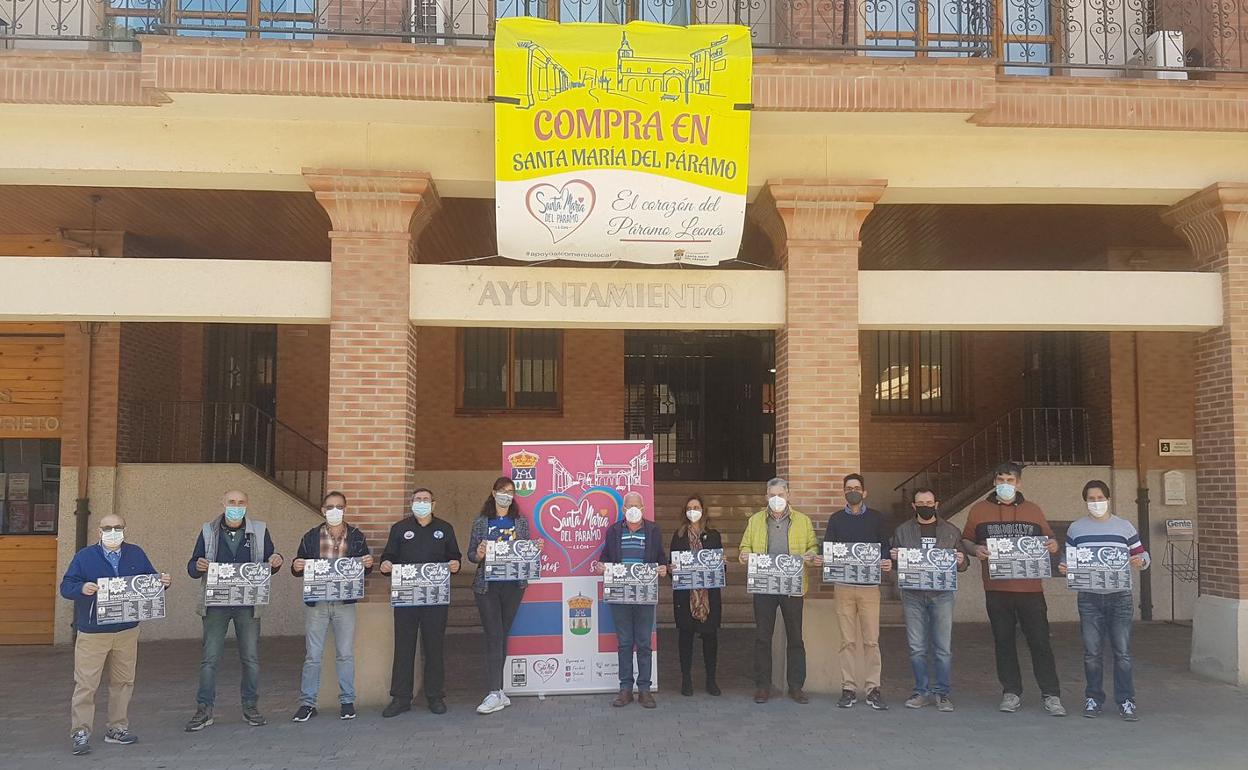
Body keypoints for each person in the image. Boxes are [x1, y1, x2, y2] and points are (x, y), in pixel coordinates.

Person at [60, 513, 171, 756]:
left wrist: (163, 582)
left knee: (123, 682)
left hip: (127, 630)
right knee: (86, 684)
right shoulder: (85, 556)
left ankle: (117, 728)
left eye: (117, 527)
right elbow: (66, 586)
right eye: (107, 527)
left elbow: (150, 580)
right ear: (99, 531)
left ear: (124, 529)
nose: (113, 531)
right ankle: (80, 731)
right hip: (93, 631)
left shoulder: (136, 553)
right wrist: (82, 588)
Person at [961, 462, 1065, 716]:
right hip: (996, 589)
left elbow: (1050, 539)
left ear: (1018, 483)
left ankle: (1051, 694)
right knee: (1003, 641)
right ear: (994, 483)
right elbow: (966, 540)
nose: (1004, 485)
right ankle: (1011, 692)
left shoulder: (1033, 510)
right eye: (1000, 480)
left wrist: (1052, 545)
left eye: (1010, 480)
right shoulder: (979, 510)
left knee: (1040, 642)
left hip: (1031, 590)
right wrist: (975, 550)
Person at [185, 490, 283, 731]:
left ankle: (250, 707)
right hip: (215, 604)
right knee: (210, 659)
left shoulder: (259, 530)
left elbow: (270, 561)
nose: (236, 506)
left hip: (248, 604)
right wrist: (197, 565)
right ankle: (204, 709)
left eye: (240, 503)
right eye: (231, 502)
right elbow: (192, 566)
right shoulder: (208, 530)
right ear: (223, 503)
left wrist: (277, 560)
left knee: (250, 658)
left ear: (247, 505)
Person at [1058, 480, 1149, 721]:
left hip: (1120, 597)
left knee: (1123, 652)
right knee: (1091, 652)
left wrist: (1141, 562)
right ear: (1085, 501)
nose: (1096, 502)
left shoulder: (1124, 527)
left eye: (1100, 498)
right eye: (1091, 498)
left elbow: (1141, 555)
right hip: (1089, 598)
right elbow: (1068, 558)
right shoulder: (1076, 529)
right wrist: (1064, 566)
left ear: (1108, 499)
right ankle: (1093, 698)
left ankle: (1126, 700)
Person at [289, 491, 374, 722]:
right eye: (330, 506)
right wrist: (296, 565)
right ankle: (308, 703)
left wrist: (367, 563)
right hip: (317, 603)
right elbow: (298, 566)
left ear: (345, 509)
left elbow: (364, 569)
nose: (334, 510)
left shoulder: (356, 536)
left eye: (339, 506)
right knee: (312, 655)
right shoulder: (310, 536)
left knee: (345, 654)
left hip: (345, 603)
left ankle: (347, 701)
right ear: (322, 509)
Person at [379, 487, 461, 717]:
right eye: (418, 500)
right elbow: (388, 556)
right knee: (404, 647)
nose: (422, 503)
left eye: (426, 500)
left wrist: (455, 565)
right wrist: (385, 565)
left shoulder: (444, 529)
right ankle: (400, 697)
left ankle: (435, 696)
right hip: (406, 598)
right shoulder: (400, 529)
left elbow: (454, 557)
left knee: (434, 647)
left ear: (433, 505)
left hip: (435, 599)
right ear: (411, 503)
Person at [738, 477, 819, 704]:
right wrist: (744, 555)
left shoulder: (802, 521)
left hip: (793, 586)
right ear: (766, 496)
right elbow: (744, 546)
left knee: (795, 637)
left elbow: (813, 546)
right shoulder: (755, 520)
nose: (776, 499)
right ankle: (763, 686)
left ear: (788, 496)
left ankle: (796, 686)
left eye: (780, 495)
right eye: (772, 495)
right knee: (763, 637)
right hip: (764, 586)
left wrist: (811, 556)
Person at [890, 488, 968, 712]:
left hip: (942, 594)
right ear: (914, 506)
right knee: (917, 647)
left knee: (943, 647)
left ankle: (942, 694)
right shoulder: (902, 531)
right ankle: (920, 691)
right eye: (920, 502)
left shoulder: (951, 530)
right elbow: (894, 561)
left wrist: (961, 560)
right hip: (913, 594)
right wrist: (894, 557)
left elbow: (962, 565)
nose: (925, 505)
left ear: (936, 504)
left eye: (929, 501)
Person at [822, 473, 892, 710]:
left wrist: (885, 561)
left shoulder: (877, 518)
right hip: (843, 587)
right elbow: (829, 547)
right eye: (848, 488)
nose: (852, 491)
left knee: (872, 641)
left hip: (870, 588)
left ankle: (873, 688)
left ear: (864, 493)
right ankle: (848, 688)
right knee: (847, 641)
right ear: (844, 492)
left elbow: (885, 546)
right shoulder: (836, 519)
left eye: (856, 488)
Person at [467, 477, 536, 715]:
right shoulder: (481, 522)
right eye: (502, 491)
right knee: (494, 634)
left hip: (513, 585)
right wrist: (479, 552)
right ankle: (494, 690)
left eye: (510, 492)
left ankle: (499, 692)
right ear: (493, 492)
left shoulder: (520, 521)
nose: (506, 495)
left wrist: (535, 549)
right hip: (487, 586)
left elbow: (525, 552)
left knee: (502, 634)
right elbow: (471, 556)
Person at [596, 490, 667, 708]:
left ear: (643, 509)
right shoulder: (614, 531)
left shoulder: (653, 530)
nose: (633, 509)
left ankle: (644, 689)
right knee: (625, 643)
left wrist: (663, 568)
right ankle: (625, 689)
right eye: (629, 506)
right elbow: (605, 557)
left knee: (644, 643)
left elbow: (660, 558)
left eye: (637, 506)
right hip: (620, 595)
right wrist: (601, 566)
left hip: (645, 595)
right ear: (623, 509)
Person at [669, 494, 722, 697]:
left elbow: (719, 567)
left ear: (703, 510)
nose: (693, 510)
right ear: (685, 511)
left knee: (710, 638)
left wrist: (721, 564)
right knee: (685, 638)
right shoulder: (679, 535)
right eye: (690, 507)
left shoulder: (714, 535)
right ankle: (686, 680)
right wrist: (672, 568)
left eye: (697, 507)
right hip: (685, 596)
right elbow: (672, 562)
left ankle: (711, 680)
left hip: (709, 596)